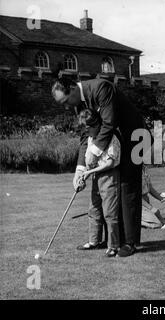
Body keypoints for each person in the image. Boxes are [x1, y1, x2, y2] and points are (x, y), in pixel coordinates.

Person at [52, 77, 145, 257]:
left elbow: (109, 123)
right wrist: (80, 170)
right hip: (115, 141)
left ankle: (130, 242)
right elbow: (84, 137)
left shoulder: (101, 88)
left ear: (72, 89)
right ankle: (112, 241)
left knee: (127, 187)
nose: (66, 106)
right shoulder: (79, 104)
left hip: (135, 138)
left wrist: (94, 152)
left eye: (65, 101)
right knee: (110, 191)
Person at [76, 109, 120, 257]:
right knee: (94, 210)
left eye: (87, 127)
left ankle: (113, 246)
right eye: (84, 127)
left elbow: (110, 163)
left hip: (109, 177)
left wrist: (88, 173)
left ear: (96, 124)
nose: (85, 130)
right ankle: (94, 242)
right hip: (96, 177)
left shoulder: (110, 137)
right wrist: (83, 177)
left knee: (109, 213)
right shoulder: (90, 139)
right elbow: (91, 163)